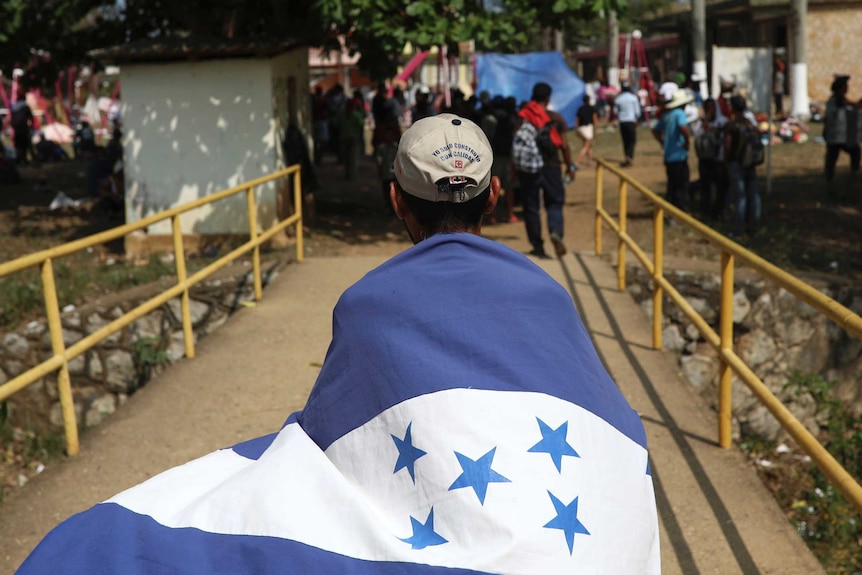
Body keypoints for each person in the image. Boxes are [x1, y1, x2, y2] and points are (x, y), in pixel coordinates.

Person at [17, 114, 661, 574]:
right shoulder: (550, 296)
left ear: (395, 202)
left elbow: (334, 442)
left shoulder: (366, 303)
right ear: (496, 194)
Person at [514, 82, 577, 259]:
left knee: (531, 206)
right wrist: (569, 167)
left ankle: (537, 245)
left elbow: (516, 144)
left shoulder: (522, 116)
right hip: (552, 167)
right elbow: (564, 145)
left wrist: (514, 168)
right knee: (554, 202)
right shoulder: (555, 118)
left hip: (528, 169)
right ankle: (555, 231)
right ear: (548, 98)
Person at [724, 95, 761, 237]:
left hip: (736, 163)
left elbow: (727, 146)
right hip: (750, 164)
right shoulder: (750, 124)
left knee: (740, 196)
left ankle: (738, 229)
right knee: (753, 194)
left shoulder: (732, 125)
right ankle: (753, 225)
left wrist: (726, 162)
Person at [652, 88, 693, 212]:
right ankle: (681, 211)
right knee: (682, 185)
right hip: (679, 155)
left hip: (669, 156)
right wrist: (687, 142)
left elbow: (655, 130)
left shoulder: (666, 115)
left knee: (672, 185)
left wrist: (662, 142)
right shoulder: (679, 114)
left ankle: (670, 210)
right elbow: (683, 127)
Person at [693, 98, 729, 220]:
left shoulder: (723, 121)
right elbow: (697, 134)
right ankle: (705, 210)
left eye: (711, 107)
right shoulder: (701, 122)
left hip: (718, 160)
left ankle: (719, 211)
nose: (709, 110)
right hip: (705, 159)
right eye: (707, 108)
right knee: (705, 186)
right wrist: (705, 123)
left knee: (720, 187)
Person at [823, 74, 861, 183]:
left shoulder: (837, 99)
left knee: (833, 156)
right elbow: (850, 109)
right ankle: (852, 174)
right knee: (852, 152)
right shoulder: (837, 100)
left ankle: (830, 178)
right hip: (838, 135)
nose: (847, 88)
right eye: (845, 86)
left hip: (838, 135)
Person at [614, 82, 642, 167]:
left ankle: (626, 155)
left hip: (622, 121)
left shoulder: (618, 99)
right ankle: (629, 156)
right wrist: (637, 119)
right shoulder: (633, 98)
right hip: (631, 121)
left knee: (625, 140)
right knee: (632, 140)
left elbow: (615, 111)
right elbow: (637, 111)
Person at [574, 94, 597, 167]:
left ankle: (589, 160)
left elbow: (577, 120)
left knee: (588, 144)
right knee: (586, 145)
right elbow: (595, 119)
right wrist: (596, 129)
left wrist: (576, 129)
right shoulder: (592, 108)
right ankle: (577, 161)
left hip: (581, 128)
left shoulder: (580, 109)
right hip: (588, 128)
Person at [11, 95, 34, 164]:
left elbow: (12, 119)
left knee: (18, 144)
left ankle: (18, 158)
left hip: (16, 128)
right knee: (24, 143)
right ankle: (24, 158)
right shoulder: (25, 107)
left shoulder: (14, 107)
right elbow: (31, 117)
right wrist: (31, 125)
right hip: (23, 127)